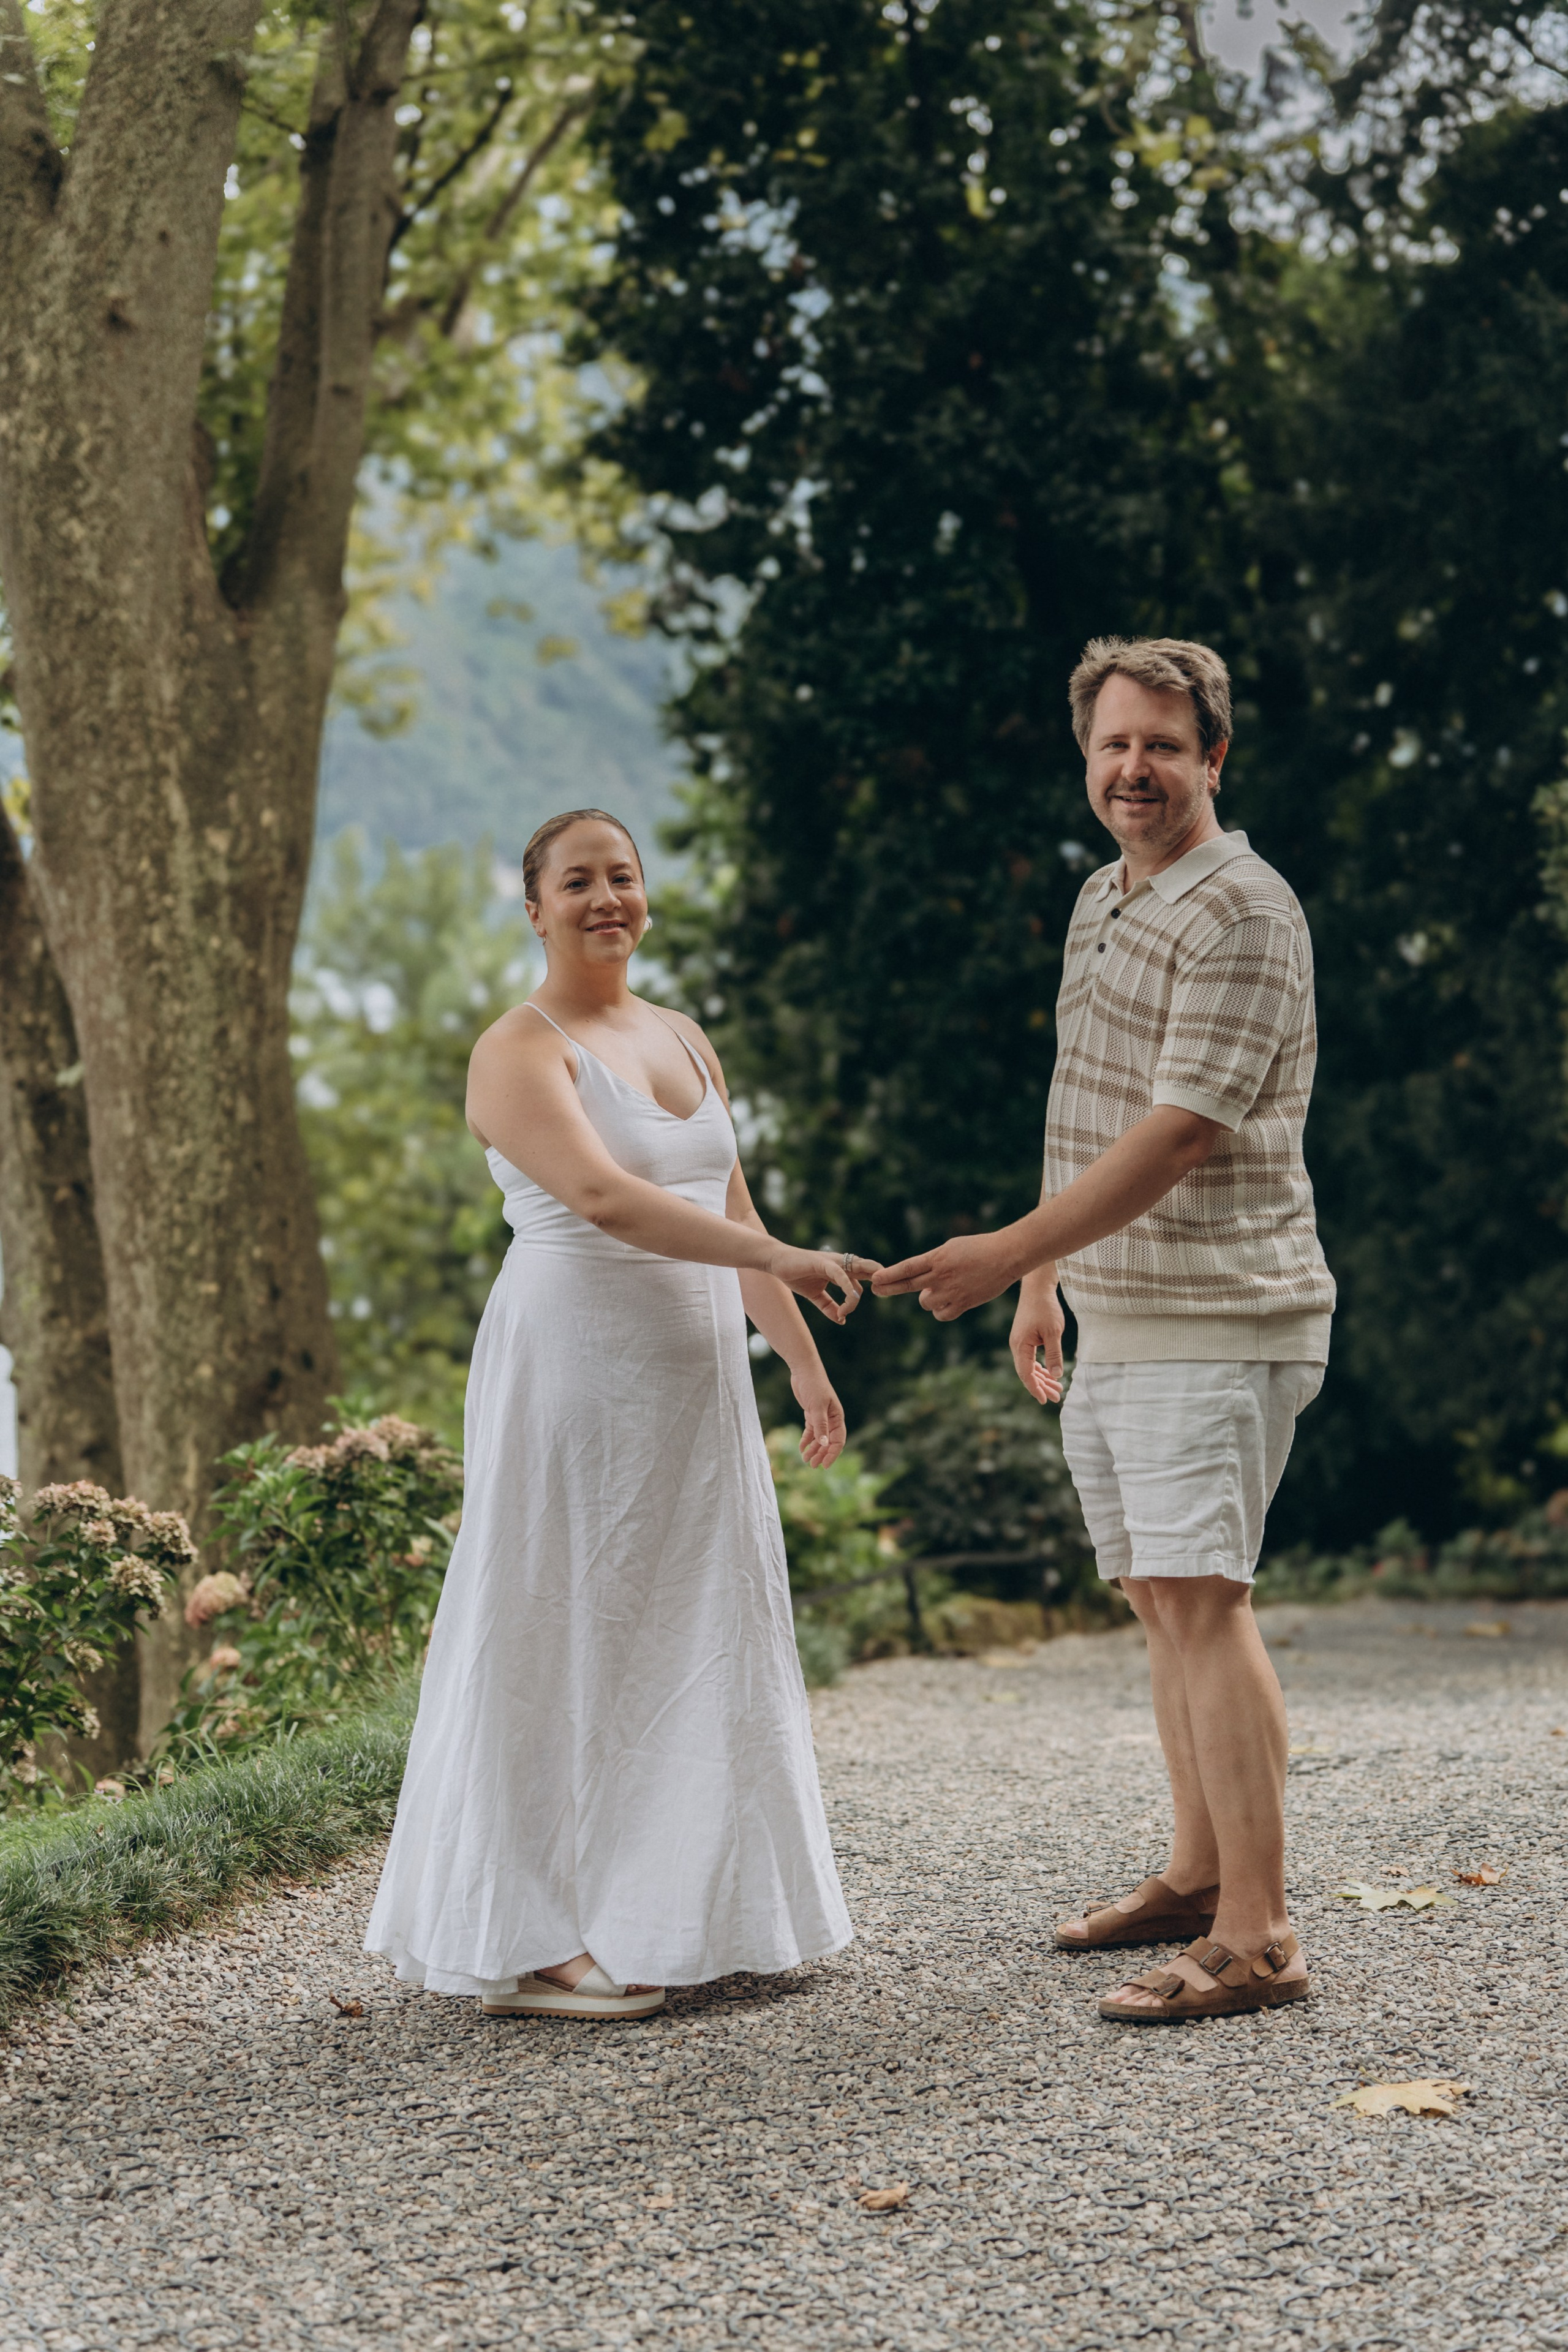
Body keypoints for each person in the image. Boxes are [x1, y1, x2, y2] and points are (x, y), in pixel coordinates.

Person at [875, 638, 1335, 2024]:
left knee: (1203, 1599)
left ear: (1213, 758)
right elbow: (1084, 1091)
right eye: (1111, 746)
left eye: (1162, 746)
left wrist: (1006, 1249)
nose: (1133, 770)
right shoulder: (1100, 898)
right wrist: (1041, 1282)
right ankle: (1197, 1876)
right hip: (1116, 1308)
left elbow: (1182, 1129)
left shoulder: (1243, 912)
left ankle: (1256, 1938)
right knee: (1154, 1600)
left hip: (1221, 1310)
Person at [366, 808, 870, 2019]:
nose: (607, 899)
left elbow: (724, 1197)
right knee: (561, 1626)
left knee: (691, 1630)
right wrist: (789, 1255)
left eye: (623, 877)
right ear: (532, 907)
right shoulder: (515, 1049)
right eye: (577, 881)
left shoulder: (683, 1035)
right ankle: (535, 1938)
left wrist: (796, 1359)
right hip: (573, 1373)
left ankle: (688, 1911)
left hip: (693, 1386)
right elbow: (604, 1197)